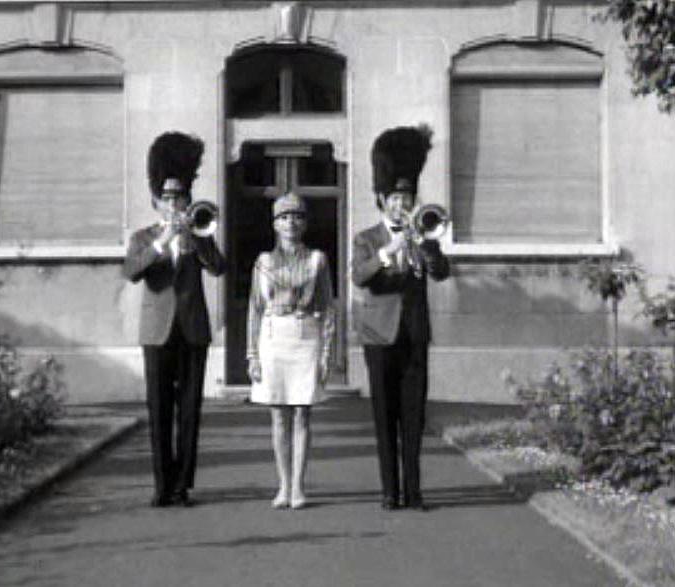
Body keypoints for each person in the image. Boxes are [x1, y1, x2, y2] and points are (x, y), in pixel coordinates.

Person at [123, 132, 226, 508]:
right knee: (159, 410)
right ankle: (161, 485)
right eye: (166, 198)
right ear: (155, 200)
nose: (173, 203)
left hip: (193, 331)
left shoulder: (198, 233)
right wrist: (162, 242)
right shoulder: (142, 238)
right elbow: (132, 272)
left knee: (189, 412)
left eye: (179, 197)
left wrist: (195, 240)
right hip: (156, 332)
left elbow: (220, 268)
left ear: (186, 199)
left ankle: (182, 486)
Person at [351, 126, 450, 511]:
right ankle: (389, 491)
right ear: (381, 199)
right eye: (394, 197)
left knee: (414, 417)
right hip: (379, 336)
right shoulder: (366, 239)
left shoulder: (425, 236)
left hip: (414, 335)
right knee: (383, 416)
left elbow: (441, 273)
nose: (401, 203)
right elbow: (360, 276)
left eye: (407, 196)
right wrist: (390, 250)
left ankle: (414, 491)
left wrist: (427, 248)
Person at [247, 192, 335, 510]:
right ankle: (282, 484)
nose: (290, 223)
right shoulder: (263, 262)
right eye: (284, 217)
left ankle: (299, 486)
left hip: (305, 335)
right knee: (278, 414)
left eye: (297, 217)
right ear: (274, 224)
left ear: (306, 223)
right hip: (273, 337)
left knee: (302, 413)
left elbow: (327, 307)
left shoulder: (317, 260)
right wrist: (252, 356)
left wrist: (326, 354)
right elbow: (255, 310)